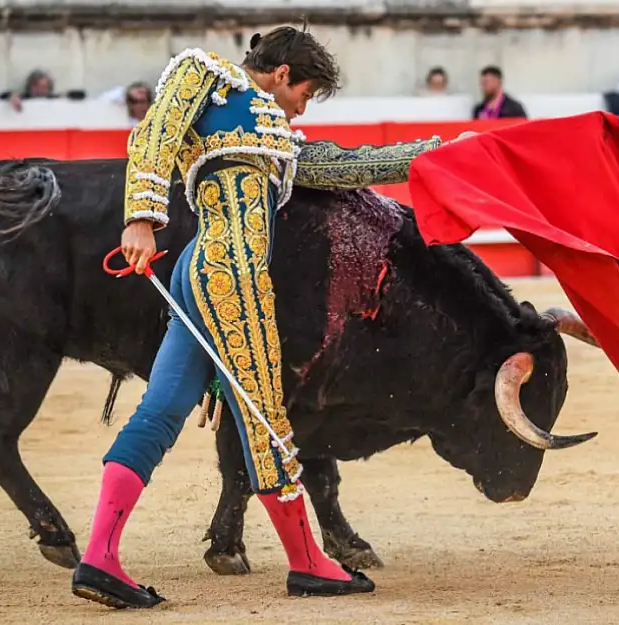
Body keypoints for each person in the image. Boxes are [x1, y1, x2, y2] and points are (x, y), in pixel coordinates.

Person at [70, 25, 474, 609]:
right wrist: (141, 217)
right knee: (266, 424)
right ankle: (308, 564)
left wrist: (439, 153)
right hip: (231, 272)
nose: (303, 106)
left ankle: (99, 558)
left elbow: (353, 166)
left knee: (161, 411)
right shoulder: (204, 75)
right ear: (283, 72)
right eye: (305, 92)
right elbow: (154, 133)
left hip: (201, 270)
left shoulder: (281, 140)